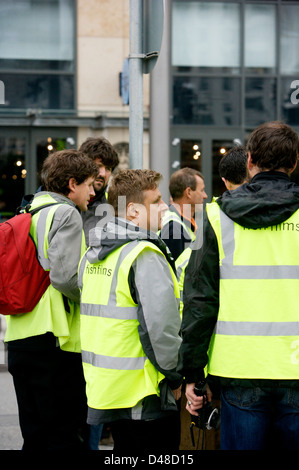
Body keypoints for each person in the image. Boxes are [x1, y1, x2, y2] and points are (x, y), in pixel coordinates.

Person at [179, 121, 299, 450]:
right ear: (294, 163)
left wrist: (193, 372)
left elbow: (199, 301)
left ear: (249, 161)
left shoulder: (215, 216)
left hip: (240, 370)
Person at [78, 169, 183, 453]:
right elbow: (160, 328)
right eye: (157, 201)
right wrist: (174, 376)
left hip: (109, 387)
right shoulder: (143, 254)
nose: (166, 208)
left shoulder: (93, 254)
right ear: (134, 211)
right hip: (144, 390)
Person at [5, 150, 98, 451]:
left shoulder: (27, 211)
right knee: (64, 436)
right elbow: (66, 278)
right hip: (56, 341)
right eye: (89, 184)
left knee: (36, 436)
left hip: (20, 336)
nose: (92, 192)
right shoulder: (66, 213)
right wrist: (97, 298)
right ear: (72, 184)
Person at [160, 167, 208, 261]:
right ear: (188, 192)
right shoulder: (174, 228)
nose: (205, 196)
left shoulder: (180, 224)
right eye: (202, 190)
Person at [79, 137, 119, 246]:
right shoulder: (68, 203)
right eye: (98, 166)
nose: (103, 173)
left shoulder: (115, 206)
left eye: (108, 169)